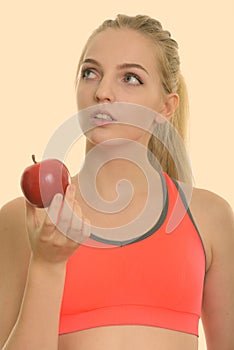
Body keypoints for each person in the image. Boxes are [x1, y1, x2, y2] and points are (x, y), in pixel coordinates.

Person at [0, 14, 233, 350]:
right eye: (90, 73)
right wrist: (47, 265)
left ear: (165, 108)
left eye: (130, 78)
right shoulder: (28, 220)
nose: (102, 92)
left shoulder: (210, 217)